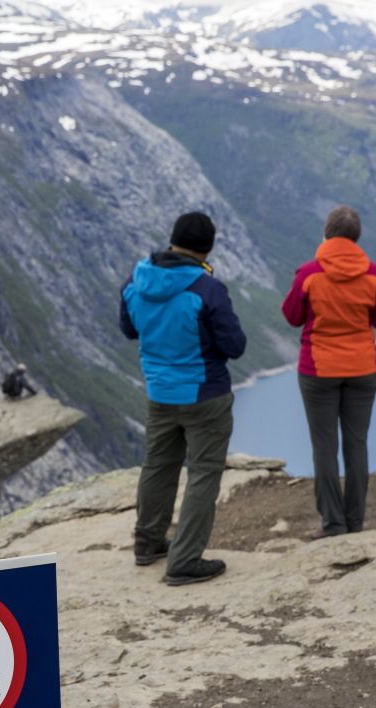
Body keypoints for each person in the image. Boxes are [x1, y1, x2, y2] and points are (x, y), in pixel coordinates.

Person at [120, 211, 245, 585]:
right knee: (204, 473)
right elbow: (235, 346)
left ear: (172, 239)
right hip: (205, 394)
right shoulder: (207, 289)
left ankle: (148, 544)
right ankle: (185, 560)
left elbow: (129, 328)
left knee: (158, 465)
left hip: (159, 392)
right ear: (206, 248)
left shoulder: (136, 281)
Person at [283, 206, 376, 538]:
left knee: (324, 446)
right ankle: (356, 521)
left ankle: (333, 524)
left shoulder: (309, 274)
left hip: (319, 369)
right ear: (356, 237)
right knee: (357, 444)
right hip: (362, 367)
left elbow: (292, 315)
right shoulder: (373, 275)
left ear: (326, 234)